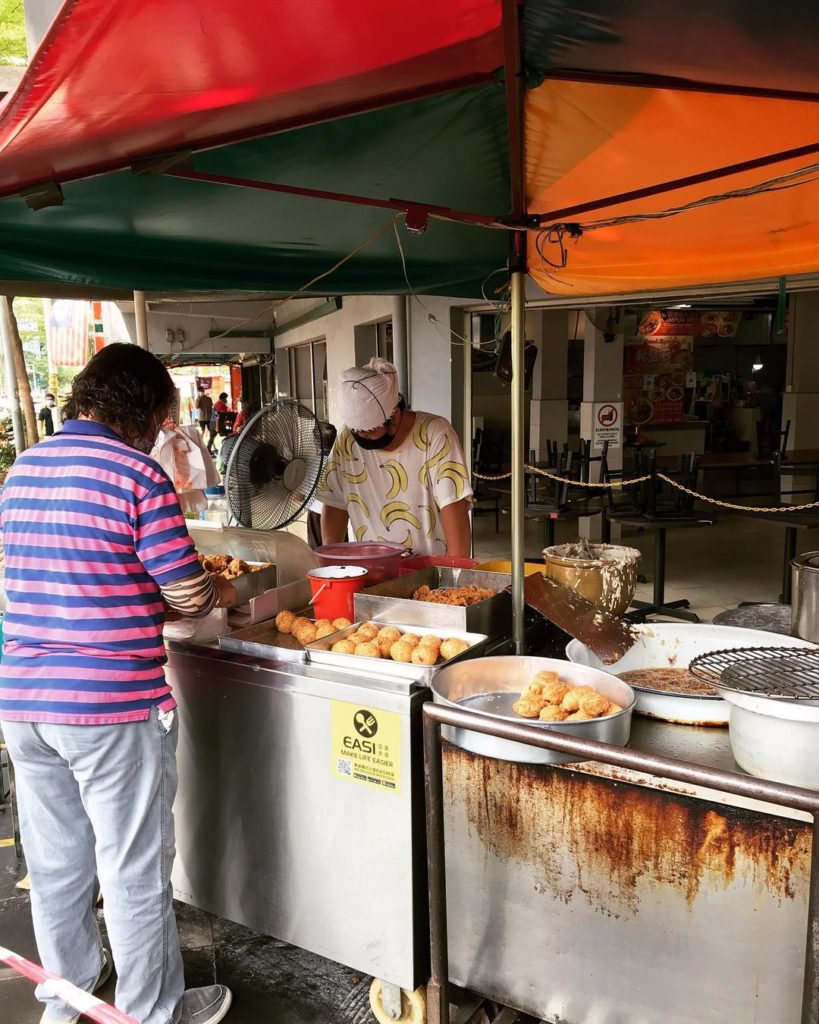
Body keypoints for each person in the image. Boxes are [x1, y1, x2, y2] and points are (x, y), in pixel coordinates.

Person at [0, 344, 235, 1024]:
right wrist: (217, 586)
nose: (164, 434)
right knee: (132, 869)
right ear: (146, 413)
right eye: (164, 420)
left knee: (54, 864)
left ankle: (65, 995)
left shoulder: (22, 471)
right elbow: (188, 595)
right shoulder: (137, 475)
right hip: (111, 704)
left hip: (24, 700)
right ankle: (154, 1012)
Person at [318, 358, 472, 556]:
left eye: (369, 430)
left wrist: (453, 577)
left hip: (431, 572)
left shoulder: (434, 434)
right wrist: (332, 563)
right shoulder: (347, 439)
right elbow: (335, 504)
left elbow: (454, 507)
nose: (361, 437)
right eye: (356, 430)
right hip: (373, 569)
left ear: (395, 415)